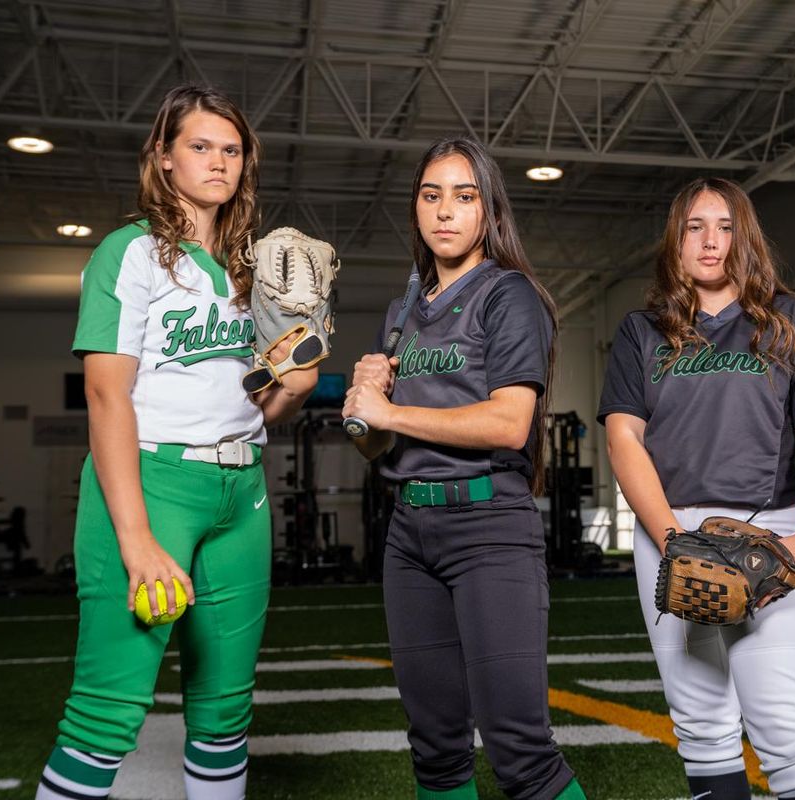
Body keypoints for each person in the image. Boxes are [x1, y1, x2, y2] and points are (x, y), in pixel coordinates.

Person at [37, 84, 316, 800]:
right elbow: (106, 396)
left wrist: (297, 382)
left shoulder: (250, 270)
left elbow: (258, 403)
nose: (218, 162)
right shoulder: (128, 254)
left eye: (231, 150)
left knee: (225, 712)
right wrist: (135, 540)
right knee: (106, 711)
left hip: (241, 493)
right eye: (200, 146)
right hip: (151, 486)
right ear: (165, 159)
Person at [342, 136, 585, 800]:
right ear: (415, 208)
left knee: (520, 752)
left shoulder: (510, 296)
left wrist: (390, 416)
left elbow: (510, 423)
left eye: (464, 195)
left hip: (489, 528)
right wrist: (364, 408)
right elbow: (376, 448)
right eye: (430, 195)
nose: (445, 210)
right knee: (436, 748)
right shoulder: (403, 312)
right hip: (409, 534)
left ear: (488, 210)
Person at [599, 177, 795, 800]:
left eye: (726, 227)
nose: (711, 242)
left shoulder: (793, 319)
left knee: (786, 725)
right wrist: (674, 540)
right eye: (694, 228)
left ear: (746, 239)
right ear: (676, 241)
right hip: (670, 535)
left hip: (770, 537)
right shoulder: (641, 330)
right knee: (702, 724)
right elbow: (624, 438)